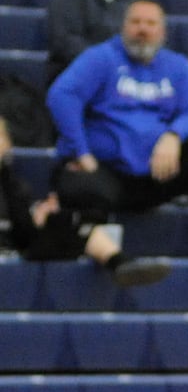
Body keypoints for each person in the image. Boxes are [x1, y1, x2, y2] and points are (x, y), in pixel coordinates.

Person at [46, 0, 188, 259]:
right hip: (107, 172)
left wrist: (173, 136)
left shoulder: (177, 66)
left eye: (150, 23)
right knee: (78, 184)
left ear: (163, 31)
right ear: (123, 27)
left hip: (158, 173)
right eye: (136, 22)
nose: (143, 29)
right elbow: (62, 96)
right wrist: (81, 152)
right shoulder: (102, 57)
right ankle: (100, 255)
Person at [0, 115, 169, 287]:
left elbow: (23, 235)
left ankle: (119, 263)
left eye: (2, 137)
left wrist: (38, 217)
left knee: (71, 223)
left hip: (13, 250)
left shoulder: (11, 183)